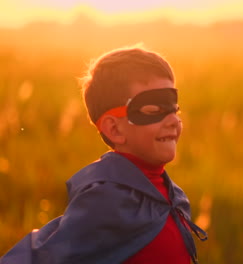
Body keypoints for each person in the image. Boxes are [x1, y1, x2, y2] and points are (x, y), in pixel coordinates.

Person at [0, 46, 207, 264]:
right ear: (114, 129)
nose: (173, 120)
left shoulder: (171, 195)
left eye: (174, 109)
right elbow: (48, 257)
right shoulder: (106, 201)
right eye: (153, 110)